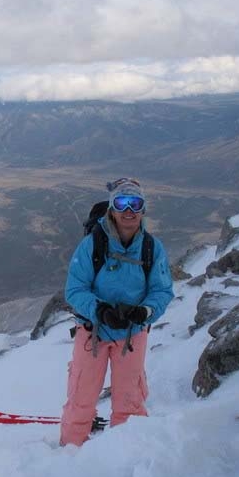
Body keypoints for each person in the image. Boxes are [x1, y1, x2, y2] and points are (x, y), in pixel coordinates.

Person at [60, 178, 174, 446]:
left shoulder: (151, 248)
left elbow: (162, 290)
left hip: (132, 333)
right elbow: (75, 290)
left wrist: (145, 312)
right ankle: (70, 455)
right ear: (111, 208)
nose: (129, 211)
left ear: (143, 209)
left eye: (136, 203)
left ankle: (128, 455)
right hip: (93, 332)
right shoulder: (92, 245)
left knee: (130, 400)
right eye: (122, 203)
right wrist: (100, 310)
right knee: (82, 398)